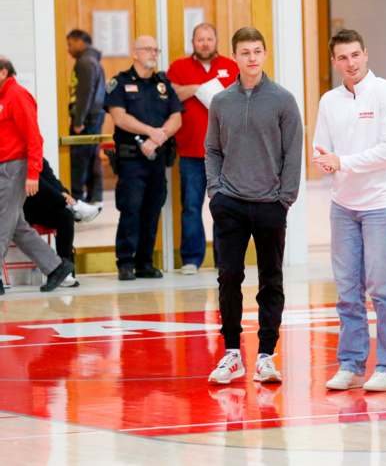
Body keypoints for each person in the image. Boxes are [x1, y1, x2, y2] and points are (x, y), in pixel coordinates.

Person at [312, 29, 386, 393]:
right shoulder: (329, 101)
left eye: (355, 55)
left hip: (383, 204)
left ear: (366, 54)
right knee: (348, 292)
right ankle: (351, 365)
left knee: (382, 289)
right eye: (342, 58)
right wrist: (324, 160)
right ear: (334, 61)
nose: (350, 63)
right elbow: (322, 147)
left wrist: (343, 161)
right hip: (343, 207)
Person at [206, 26, 303, 385]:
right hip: (229, 202)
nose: (251, 58)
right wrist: (215, 191)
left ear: (265, 54)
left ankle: (265, 355)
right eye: (245, 52)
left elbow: (293, 152)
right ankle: (232, 353)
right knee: (228, 277)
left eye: (257, 51)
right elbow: (212, 149)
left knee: (270, 279)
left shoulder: (282, 100)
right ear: (235, 56)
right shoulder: (221, 102)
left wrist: (285, 199)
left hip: (269, 205)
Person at [105, 36, 182, 281]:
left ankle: (145, 262)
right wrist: (150, 132)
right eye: (148, 49)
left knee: (152, 210)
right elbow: (119, 117)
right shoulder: (120, 82)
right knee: (131, 209)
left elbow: (176, 117)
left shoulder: (163, 84)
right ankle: (125, 262)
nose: (153, 53)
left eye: (155, 49)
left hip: (157, 158)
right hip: (131, 160)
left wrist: (158, 139)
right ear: (135, 53)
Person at [167, 23, 239, 275]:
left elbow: (240, 96)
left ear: (216, 40)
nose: (205, 43)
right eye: (200, 39)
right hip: (190, 152)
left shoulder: (231, 67)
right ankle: (191, 259)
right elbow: (170, 93)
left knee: (225, 207)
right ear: (193, 41)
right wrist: (200, 88)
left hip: (226, 153)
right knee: (191, 206)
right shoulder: (179, 68)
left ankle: (225, 258)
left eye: (209, 38)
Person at [0, 56, 73, 295]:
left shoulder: (18, 96)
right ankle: (56, 267)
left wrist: (33, 174)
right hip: (5, 167)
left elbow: (34, 138)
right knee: (17, 225)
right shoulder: (3, 98)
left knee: (3, 223)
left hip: (15, 168)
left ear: (3, 73)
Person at [23, 158, 101, 288]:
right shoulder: (12, 161)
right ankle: (74, 207)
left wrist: (64, 193)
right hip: (17, 209)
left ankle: (63, 271)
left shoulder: (36, 158)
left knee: (65, 216)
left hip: (36, 205)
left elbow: (52, 179)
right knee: (32, 177)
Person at [66, 29, 106, 206]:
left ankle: (77, 197)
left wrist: (78, 120)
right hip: (94, 116)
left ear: (80, 41)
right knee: (91, 157)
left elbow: (85, 93)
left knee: (80, 159)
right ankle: (94, 195)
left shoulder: (85, 62)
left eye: (70, 44)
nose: (68, 49)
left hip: (87, 119)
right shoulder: (92, 61)